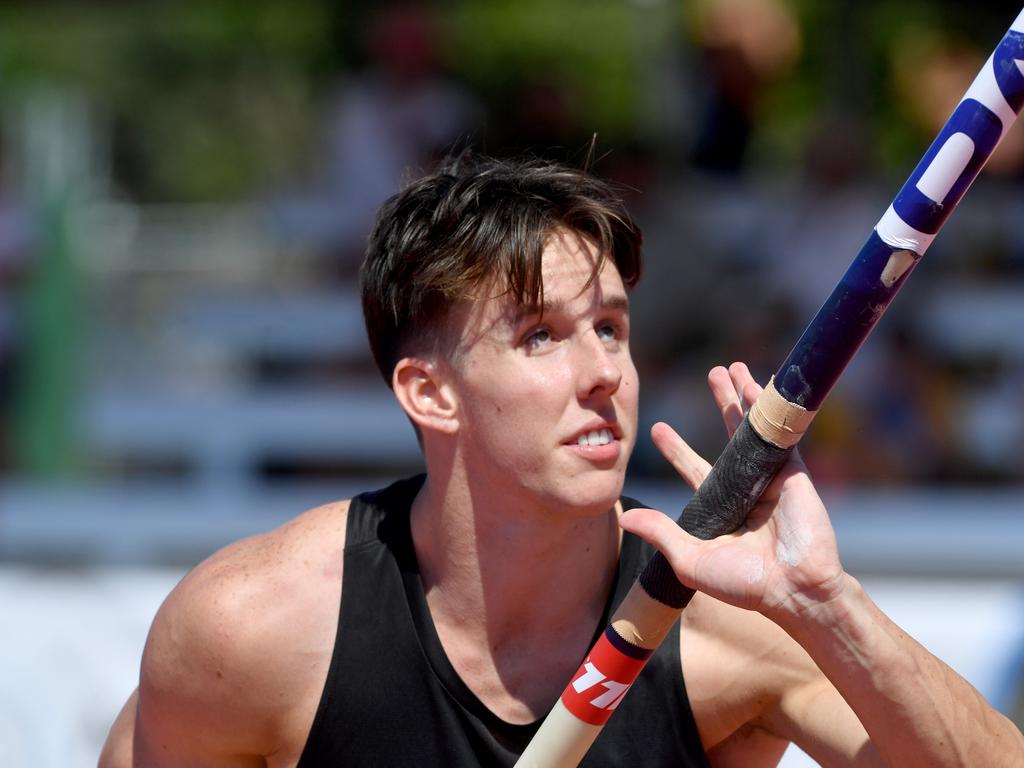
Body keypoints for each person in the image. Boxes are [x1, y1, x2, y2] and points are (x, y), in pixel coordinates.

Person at [100, 154, 1024, 767]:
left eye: (611, 328)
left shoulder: (723, 636)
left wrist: (826, 604)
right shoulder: (249, 634)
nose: (602, 374)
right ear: (430, 392)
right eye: (541, 336)